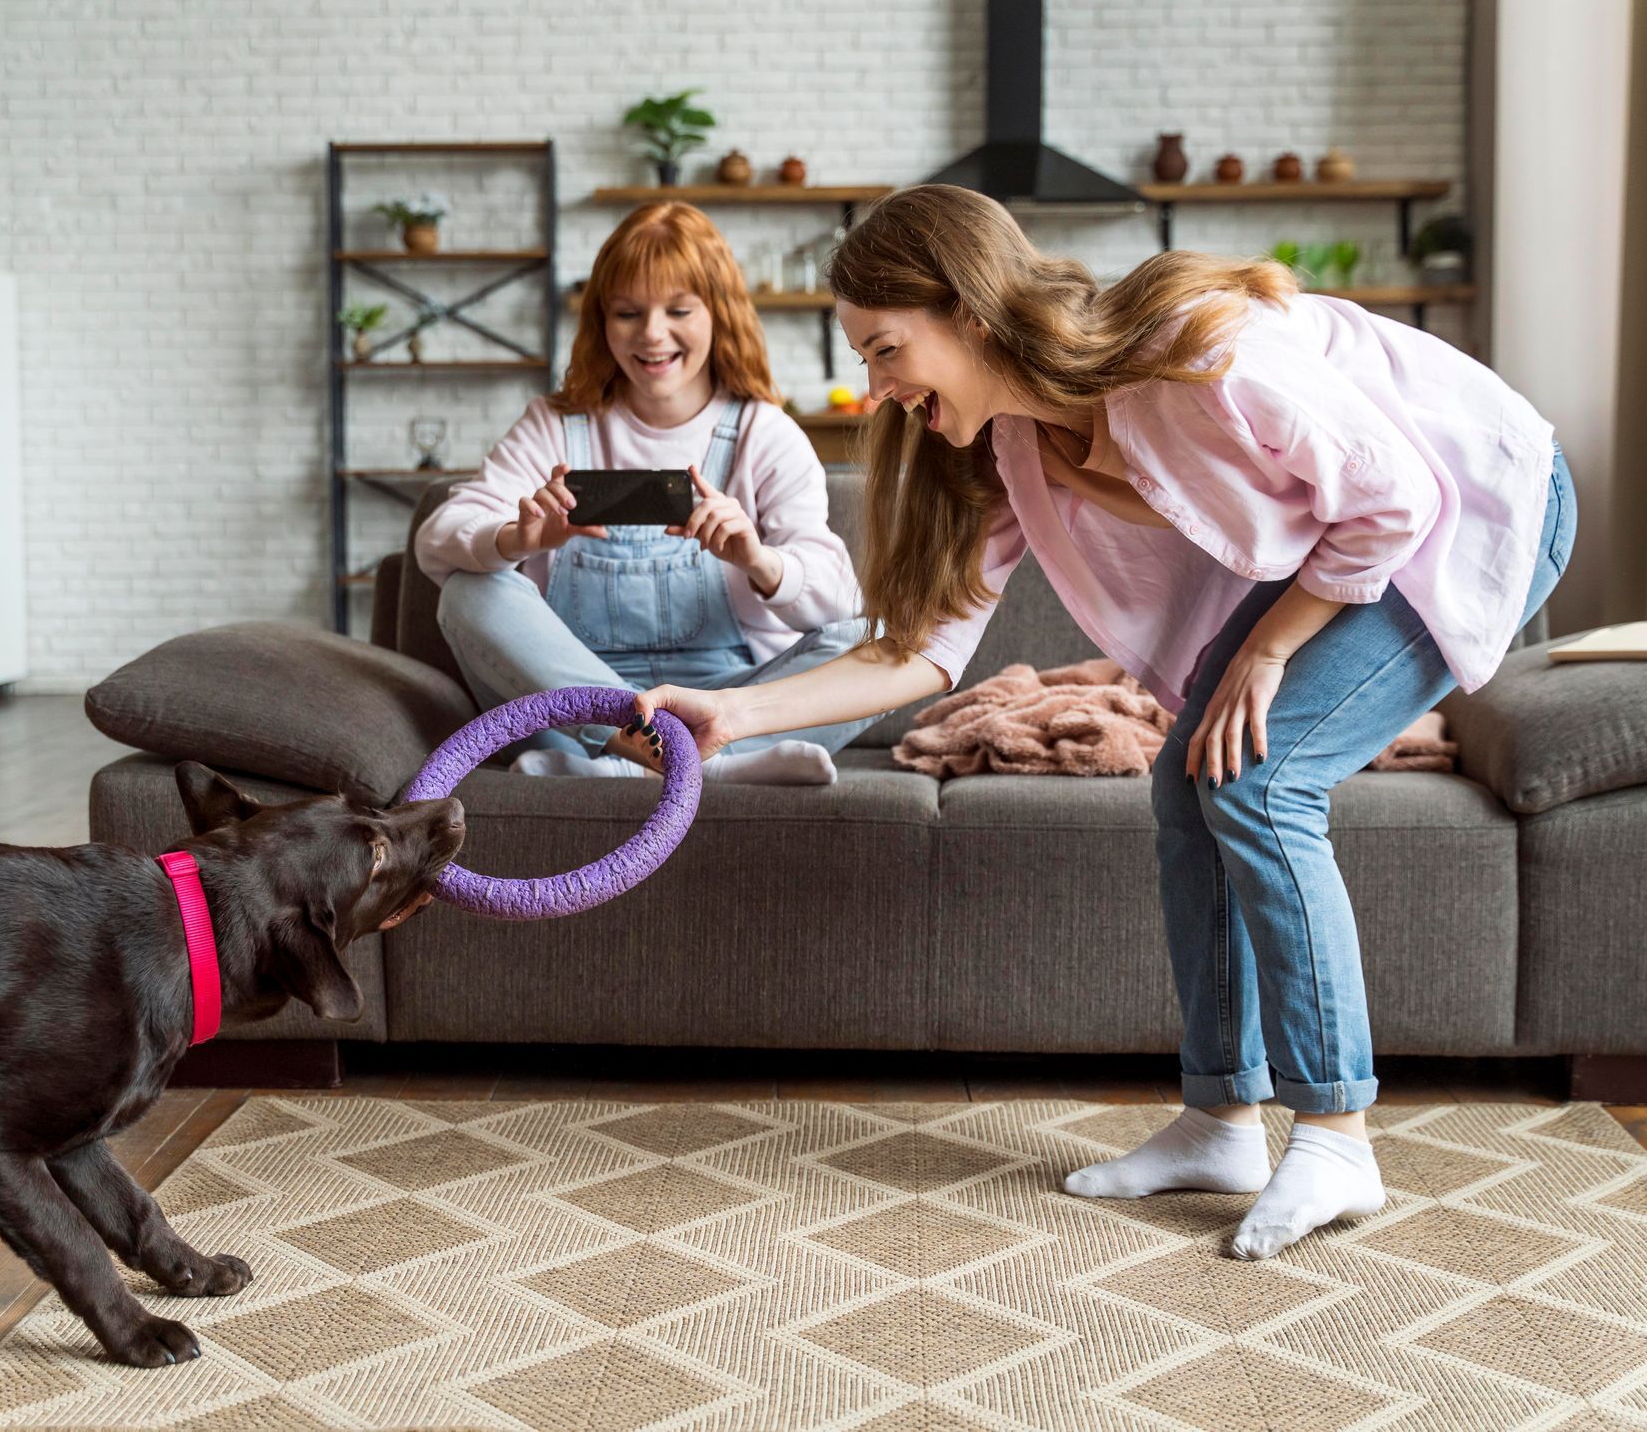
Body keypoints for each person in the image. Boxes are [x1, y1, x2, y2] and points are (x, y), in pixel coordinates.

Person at [628, 184, 1576, 1259]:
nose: (880, 391)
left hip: (1481, 499)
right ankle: (1222, 1122)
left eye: (886, 351)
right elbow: (917, 652)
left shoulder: (1196, 358)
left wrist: (1267, 649)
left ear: (971, 315)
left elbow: (1397, 498)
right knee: (1189, 783)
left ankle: (1336, 1135)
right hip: (1358, 546)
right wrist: (732, 713)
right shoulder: (1013, 453)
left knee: (1261, 784)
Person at [414, 202, 878, 786]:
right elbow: (438, 541)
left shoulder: (765, 432)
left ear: (719, 314)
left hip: (729, 707)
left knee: (876, 642)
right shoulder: (555, 425)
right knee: (468, 592)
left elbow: (841, 600)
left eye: (678, 309)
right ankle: (689, 767)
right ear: (602, 323)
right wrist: (515, 538)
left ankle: (644, 768)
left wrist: (758, 559)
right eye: (628, 313)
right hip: (578, 714)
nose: (652, 334)